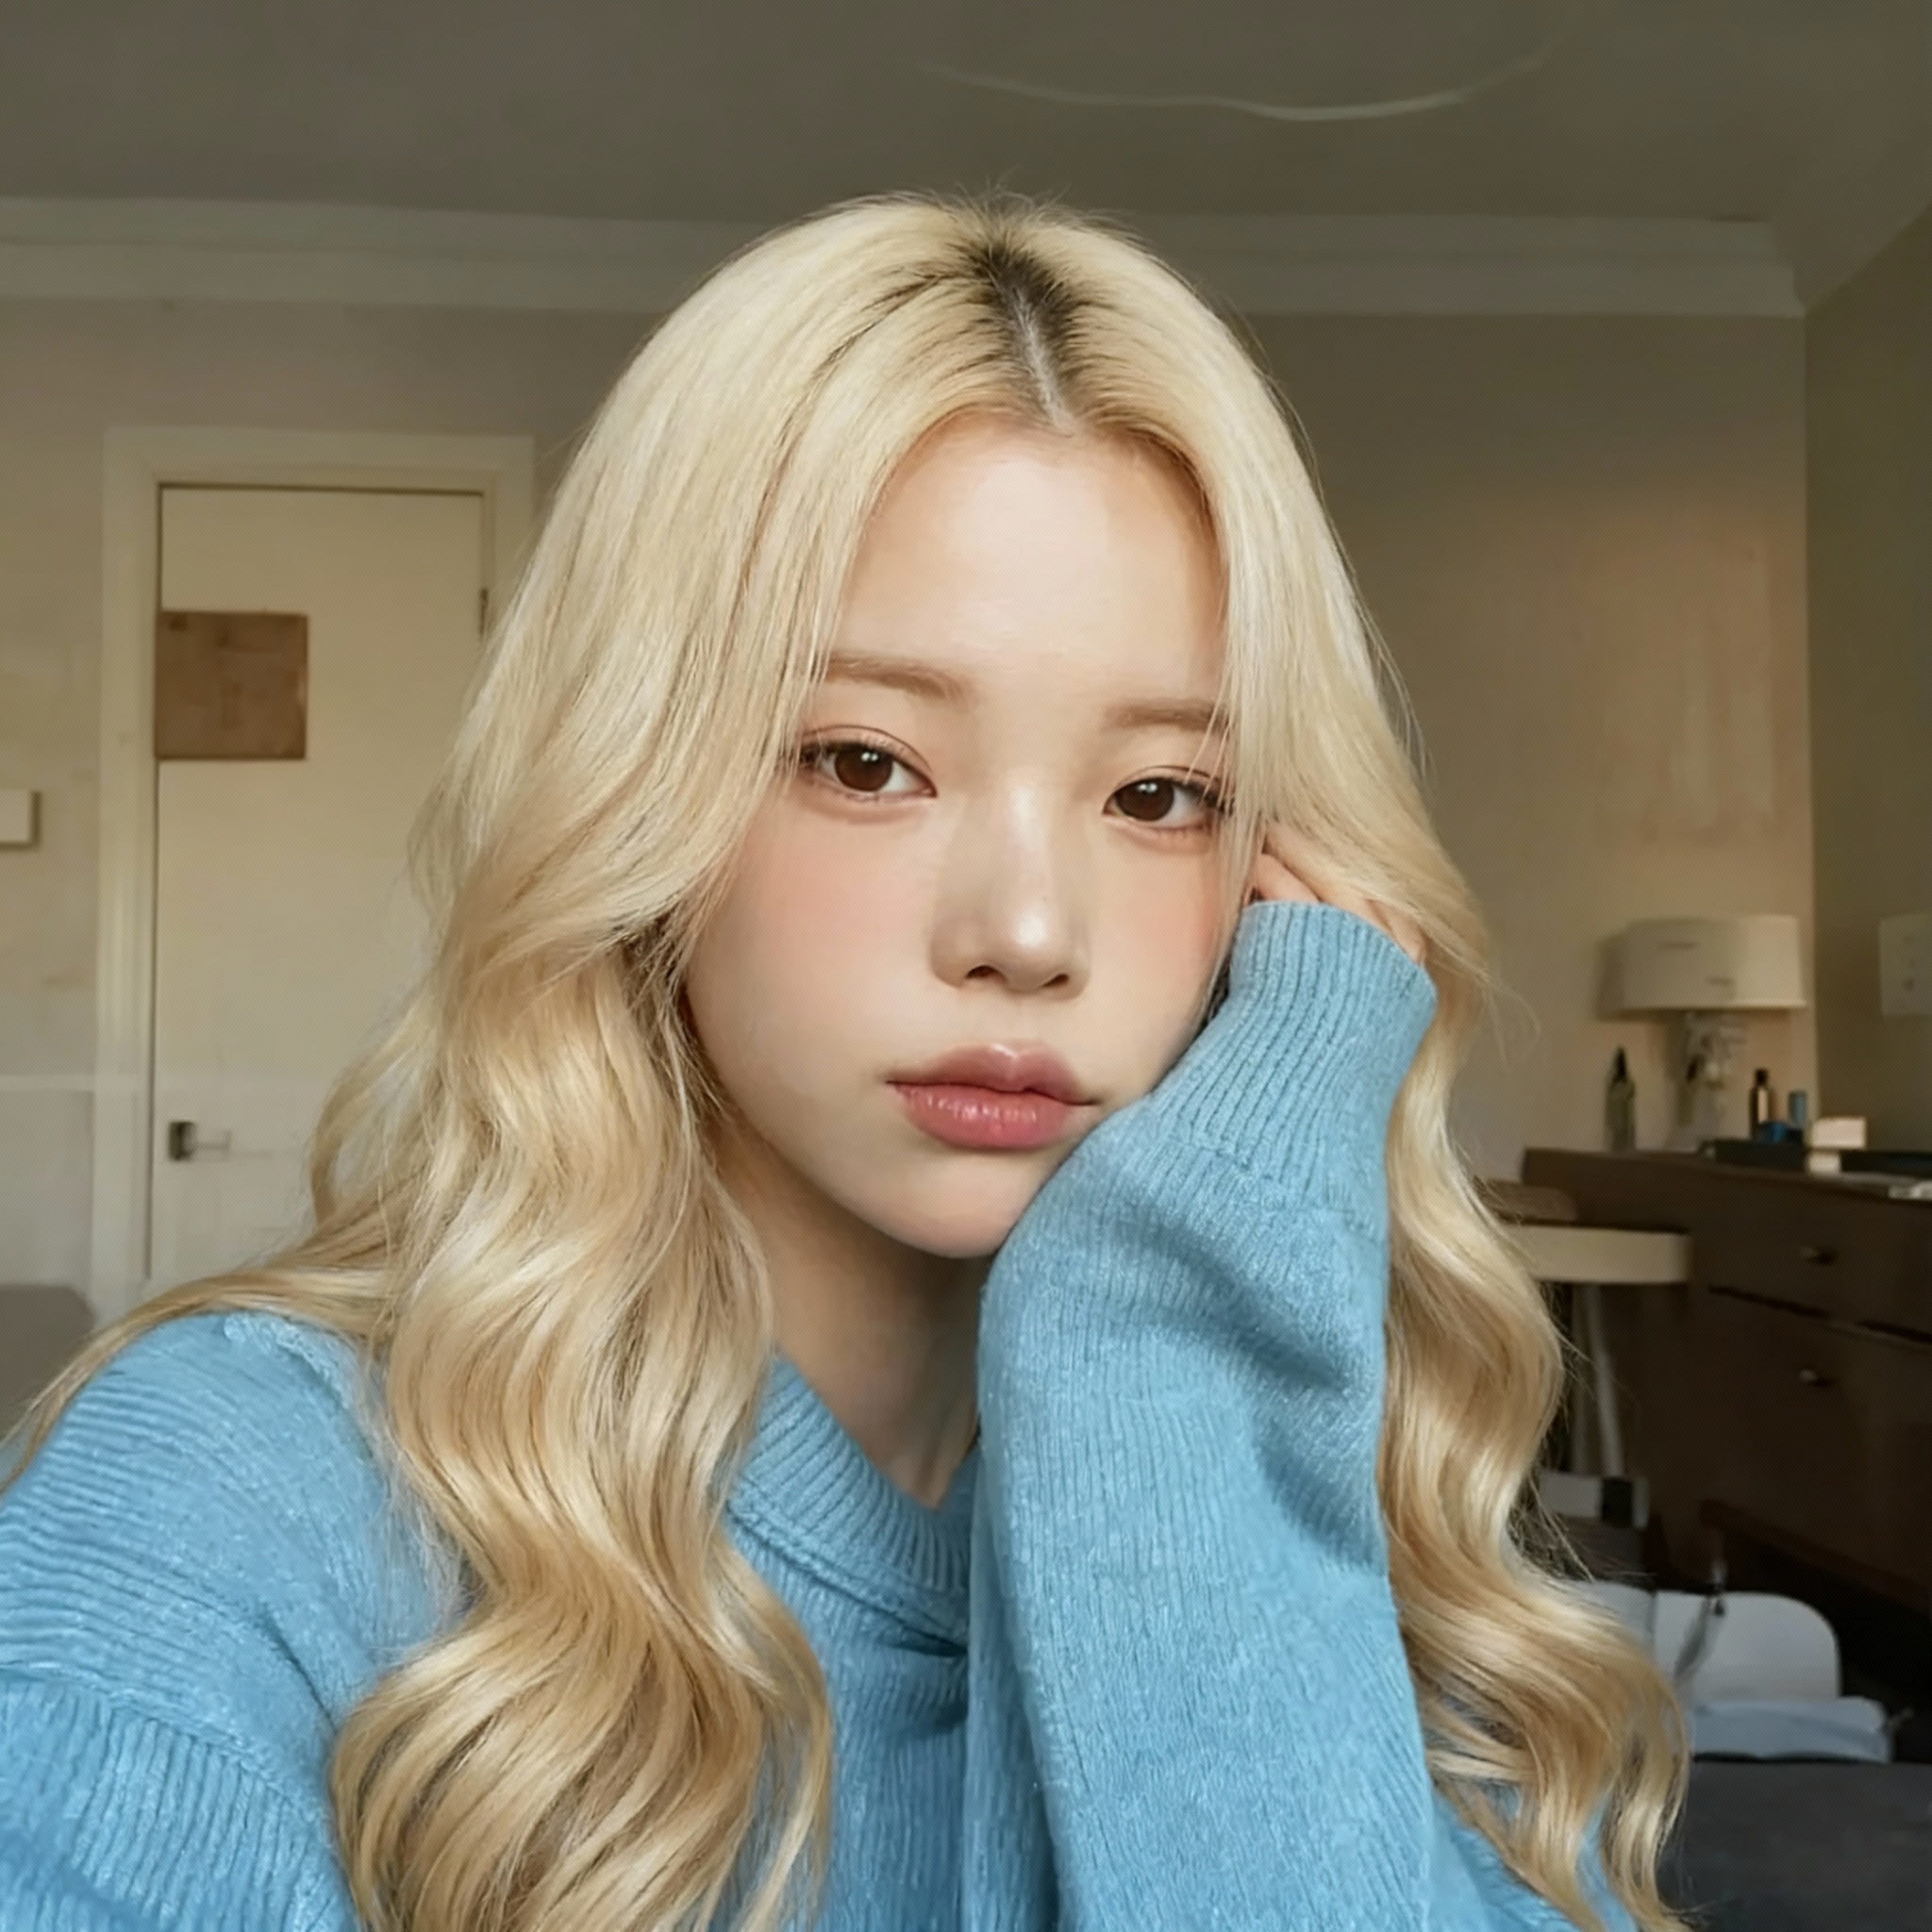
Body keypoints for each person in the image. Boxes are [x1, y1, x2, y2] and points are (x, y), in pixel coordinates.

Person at [0, 196, 1686, 1931]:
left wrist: (1167, 1367)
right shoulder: (223, 1501)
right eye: (865, 762)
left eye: (1161, 794)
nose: (1028, 930)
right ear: (641, 797)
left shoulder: (1348, 1533)